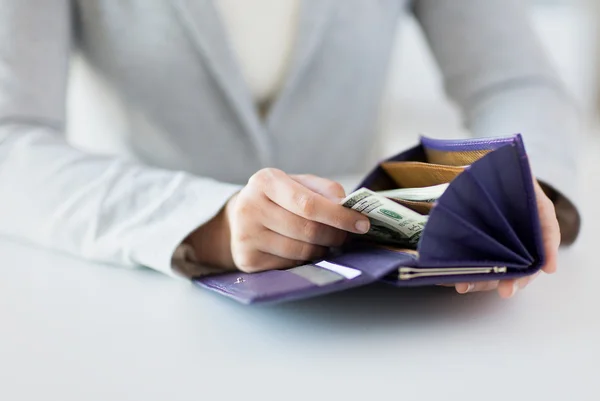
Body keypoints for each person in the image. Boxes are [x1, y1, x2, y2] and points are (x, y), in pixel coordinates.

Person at [0, 0, 580, 298]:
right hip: (130, 290)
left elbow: (515, 82)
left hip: (371, 308)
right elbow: (11, 135)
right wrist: (206, 223)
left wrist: (519, 187)